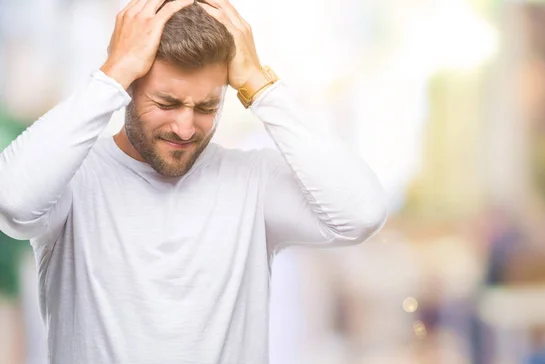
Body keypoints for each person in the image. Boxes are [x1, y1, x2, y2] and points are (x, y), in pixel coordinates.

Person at [0, 0, 387, 363]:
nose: (185, 128)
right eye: (166, 103)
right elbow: (12, 201)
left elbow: (360, 214)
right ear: (129, 87)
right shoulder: (74, 180)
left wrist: (261, 84)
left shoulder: (252, 183)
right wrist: (110, 75)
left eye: (206, 107)